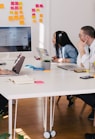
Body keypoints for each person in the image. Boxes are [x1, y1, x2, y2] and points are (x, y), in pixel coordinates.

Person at [52, 31, 78, 107]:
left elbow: (75, 59)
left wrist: (61, 60)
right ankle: (69, 96)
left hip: (71, 71)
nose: (52, 39)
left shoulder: (68, 47)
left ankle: (70, 96)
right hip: (64, 69)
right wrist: (57, 58)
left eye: (54, 37)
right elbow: (62, 57)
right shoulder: (58, 47)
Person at [76, 26, 95, 120]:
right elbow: (80, 64)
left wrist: (82, 50)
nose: (79, 38)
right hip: (91, 76)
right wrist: (82, 50)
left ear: (86, 37)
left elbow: (88, 66)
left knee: (79, 91)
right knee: (77, 91)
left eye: (80, 35)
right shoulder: (88, 46)